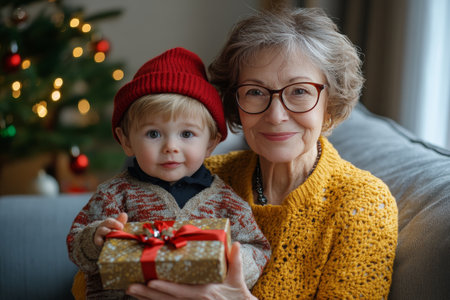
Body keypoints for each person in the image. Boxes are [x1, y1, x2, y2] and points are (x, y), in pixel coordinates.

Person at [125, 7, 398, 300]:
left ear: (329, 106)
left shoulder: (362, 204)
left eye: (299, 91)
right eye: (255, 92)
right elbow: (88, 284)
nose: (276, 115)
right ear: (236, 103)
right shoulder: (203, 177)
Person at [67, 47, 271, 299]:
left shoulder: (226, 201)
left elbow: (259, 248)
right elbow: (76, 243)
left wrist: (231, 259)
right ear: (126, 140)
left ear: (211, 143)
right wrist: (95, 238)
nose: (170, 147)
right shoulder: (114, 195)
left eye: (187, 134)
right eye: (153, 134)